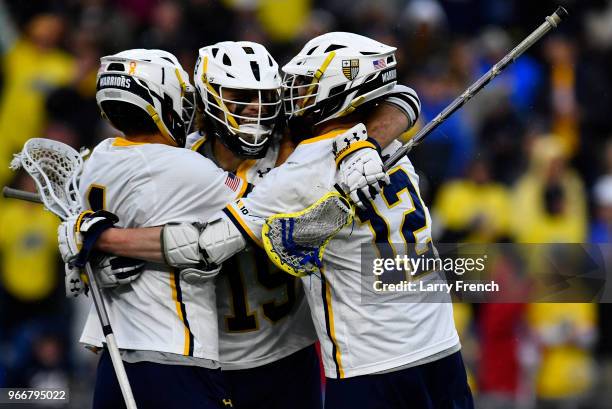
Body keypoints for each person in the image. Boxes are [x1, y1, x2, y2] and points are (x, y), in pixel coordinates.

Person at [77, 32, 473, 408]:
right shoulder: (177, 159)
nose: (257, 109)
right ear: (207, 98)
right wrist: (104, 256)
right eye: (242, 97)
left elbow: (399, 97)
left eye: (267, 97)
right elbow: (402, 99)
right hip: (215, 356)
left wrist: (100, 238)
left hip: (289, 352)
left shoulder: (296, 148)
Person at [60, 48, 236, 408]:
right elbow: (261, 203)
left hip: (117, 353)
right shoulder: (182, 167)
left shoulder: (100, 156)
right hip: (173, 347)